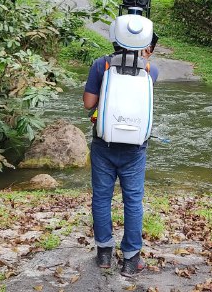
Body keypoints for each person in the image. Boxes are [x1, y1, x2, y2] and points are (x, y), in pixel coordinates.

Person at [83, 35, 159, 278]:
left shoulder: (100, 64)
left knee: (102, 198)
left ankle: (104, 254)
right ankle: (131, 260)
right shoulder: (151, 69)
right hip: (135, 149)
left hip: (104, 144)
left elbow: (88, 103)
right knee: (133, 201)